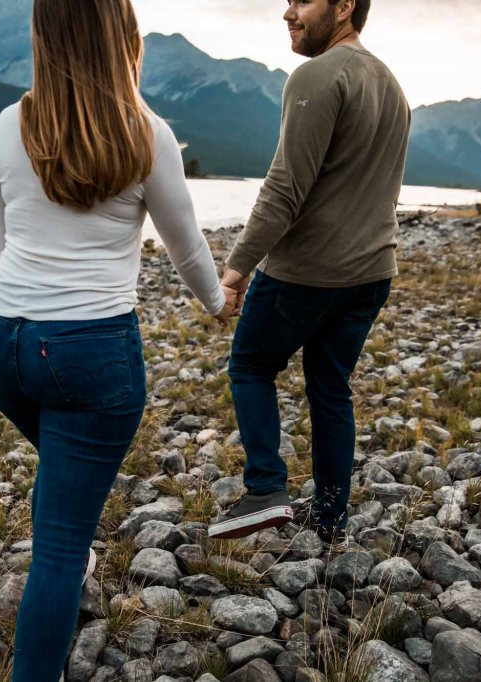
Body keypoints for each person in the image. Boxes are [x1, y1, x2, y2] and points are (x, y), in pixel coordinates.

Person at [0, 0, 232, 678]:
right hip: (90, 353)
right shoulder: (146, 133)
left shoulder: (7, 125)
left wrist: (17, 320)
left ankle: (67, 528)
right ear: (122, 38)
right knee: (58, 547)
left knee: (62, 481)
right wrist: (216, 301)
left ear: (44, 37)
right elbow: (186, 245)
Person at [207, 0, 410, 544]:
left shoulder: (317, 75)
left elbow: (284, 188)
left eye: (302, 1)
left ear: (344, 6)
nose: (288, 12)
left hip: (307, 273)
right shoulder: (391, 85)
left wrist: (235, 271)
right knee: (330, 390)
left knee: (250, 364)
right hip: (371, 272)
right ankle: (329, 522)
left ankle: (267, 487)